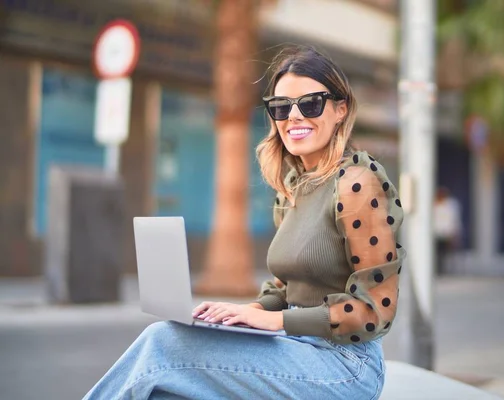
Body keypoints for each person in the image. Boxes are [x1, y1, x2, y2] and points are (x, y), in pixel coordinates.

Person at [83, 46, 405, 400]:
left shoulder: (357, 181)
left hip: (344, 365)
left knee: (162, 343)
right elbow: (286, 291)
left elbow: (375, 312)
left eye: (310, 104)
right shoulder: (292, 188)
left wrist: (277, 321)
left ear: (340, 109)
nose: (294, 117)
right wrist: (246, 312)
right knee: (167, 392)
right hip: (293, 346)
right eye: (282, 107)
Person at [433, 187, 461, 275]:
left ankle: (444, 270)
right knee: (437, 253)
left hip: (447, 234)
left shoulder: (451, 205)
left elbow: (454, 220)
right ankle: (438, 269)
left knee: (445, 254)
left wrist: (454, 233)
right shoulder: (434, 205)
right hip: (436, 234)